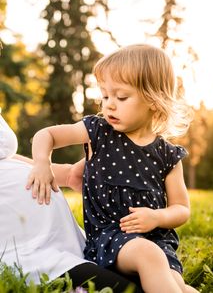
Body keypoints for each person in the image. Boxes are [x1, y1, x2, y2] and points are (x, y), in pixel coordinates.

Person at [27, 44, 199, 293]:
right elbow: (47, 134)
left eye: (121, 97)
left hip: (158, 241)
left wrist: (156, 217)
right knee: (149, 256)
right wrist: (42, 163)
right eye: (105, 96)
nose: (109, 105)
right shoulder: (98, 132)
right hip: (110, 238)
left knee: (179, 286)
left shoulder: (168, 155)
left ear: (153, 99)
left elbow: (181, 209)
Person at [0, 112, 142, 292]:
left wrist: (66, 175)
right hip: (25, 249)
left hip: (60, 238)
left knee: (150, 278)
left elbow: (4, 156)